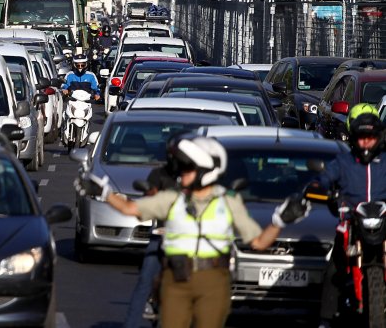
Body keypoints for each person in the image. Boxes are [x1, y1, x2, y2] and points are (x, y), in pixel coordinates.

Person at [78, 136, 310, 328]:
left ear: (206, 171)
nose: (182, 173)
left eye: (188, 168)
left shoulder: (228, 202)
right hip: (175, 278)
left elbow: (259, 242)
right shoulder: (172, 199)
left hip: (213, 281)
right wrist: (105, 192)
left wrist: (279, 220)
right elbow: (131, 208)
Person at [316, 106, 386, 328]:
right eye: (361, 138)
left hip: (383, 223)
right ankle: (325, 319)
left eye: (370, 138)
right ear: (354, 138)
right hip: (351, 222)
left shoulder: (385, 161)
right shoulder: (344, 161)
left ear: (378, 138)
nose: (366, 143)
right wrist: (319, 186)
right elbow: (325, 177)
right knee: (334, 266)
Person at [123, 151, 181, 328]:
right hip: (161, 235)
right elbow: (146, 200)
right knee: (145, 279)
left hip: (186, 240)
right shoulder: (159, 174)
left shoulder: (196, 182)